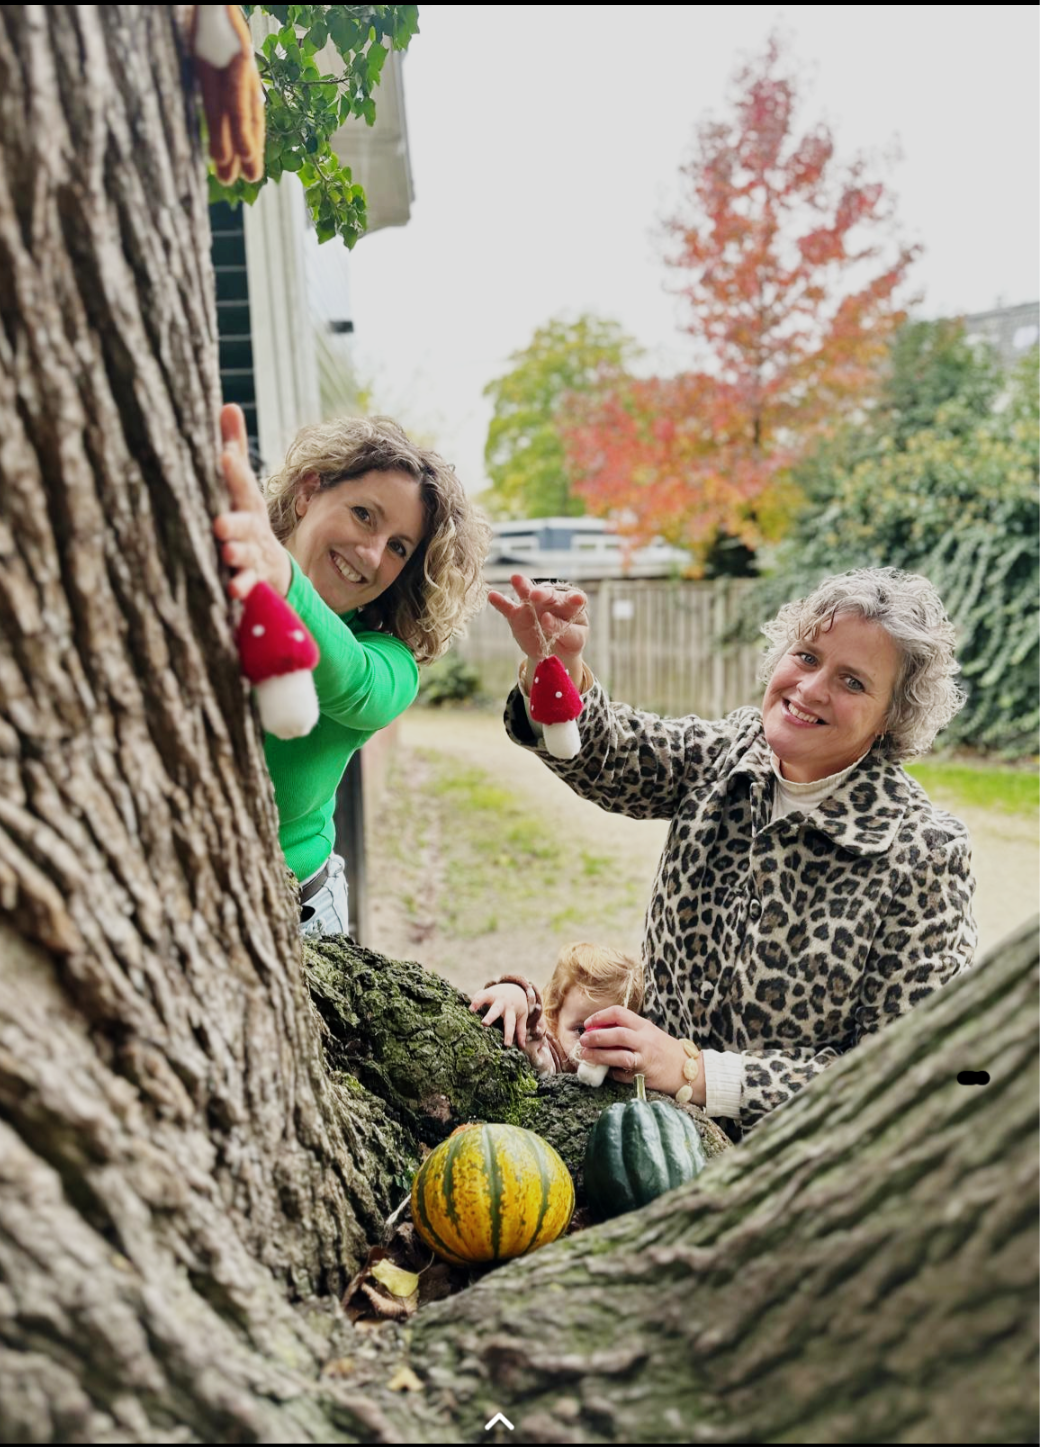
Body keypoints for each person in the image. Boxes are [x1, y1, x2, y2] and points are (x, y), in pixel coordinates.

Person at [489, 566, 978, 1140]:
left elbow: (905, 1076)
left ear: (891, 718)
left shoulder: (923, 852)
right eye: (807, 656)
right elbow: (608, 756)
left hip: (791, 1174)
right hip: (654, 1136)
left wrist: (695, 1073)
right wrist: (558, 661)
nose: (811, 688)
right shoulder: (729, 752)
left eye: (853, 682)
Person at [215, 403, 490, 936]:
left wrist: (282, 579)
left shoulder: (389, 663)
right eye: (364, 514)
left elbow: (351, 678)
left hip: (298, 919)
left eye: (398, 547)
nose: (370, 553)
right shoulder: (217, 582)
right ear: (308, 491)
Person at [469, 942, 644, 1075]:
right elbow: (530, 1023)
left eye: (612, 1035)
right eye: (581, 1030)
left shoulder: (626, 1071)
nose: (595, 1043)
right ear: (555, 1016)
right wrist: (515, 994)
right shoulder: (554, 1055)